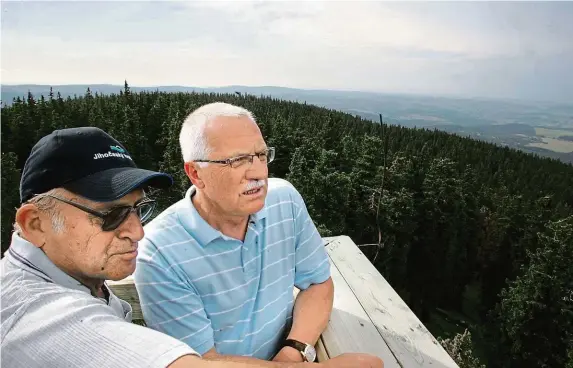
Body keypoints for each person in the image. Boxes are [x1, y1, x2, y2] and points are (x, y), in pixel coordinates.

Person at [0, 126, 383, 368]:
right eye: (111, 215)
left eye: (138, 209)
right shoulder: (33, 314)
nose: (137, 232)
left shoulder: (76, 278)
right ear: (35, 224)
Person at [134, 102, 353, 364]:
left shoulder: (284, 201)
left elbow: (318, 284)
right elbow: (202, 363)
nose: (259, 173)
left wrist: (294, 349)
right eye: (237, 161)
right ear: (195, 174)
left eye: (261, 155)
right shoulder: (158, 252)